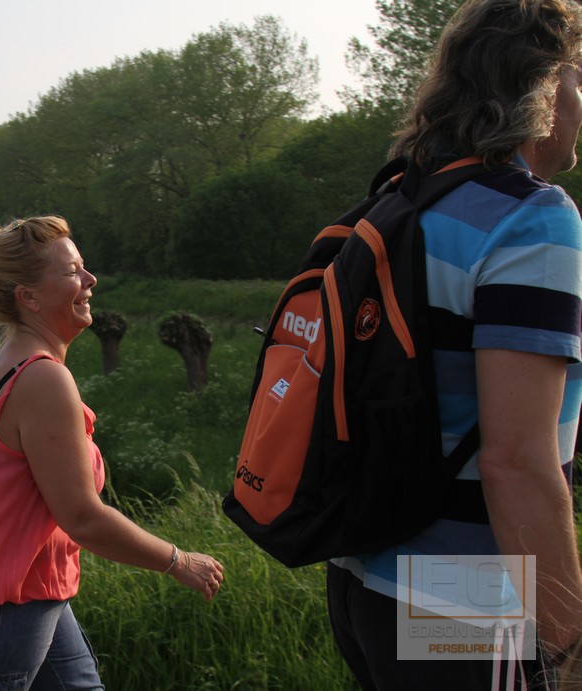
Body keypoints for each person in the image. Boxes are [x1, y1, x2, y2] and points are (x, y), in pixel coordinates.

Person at [326, 1, 582, 689]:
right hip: (465, 600)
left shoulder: (401, 200)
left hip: (361, 580)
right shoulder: (533, 219)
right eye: (578, 78)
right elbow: (517, 462)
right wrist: (570, 647)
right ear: (544, 88)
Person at [0, 216, 224, 690]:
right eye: (73, 271)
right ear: (28, 297)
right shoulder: (42, 379)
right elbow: (82, 518)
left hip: (28, 591)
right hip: (1, 616)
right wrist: (178, 560)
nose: (90, 279)